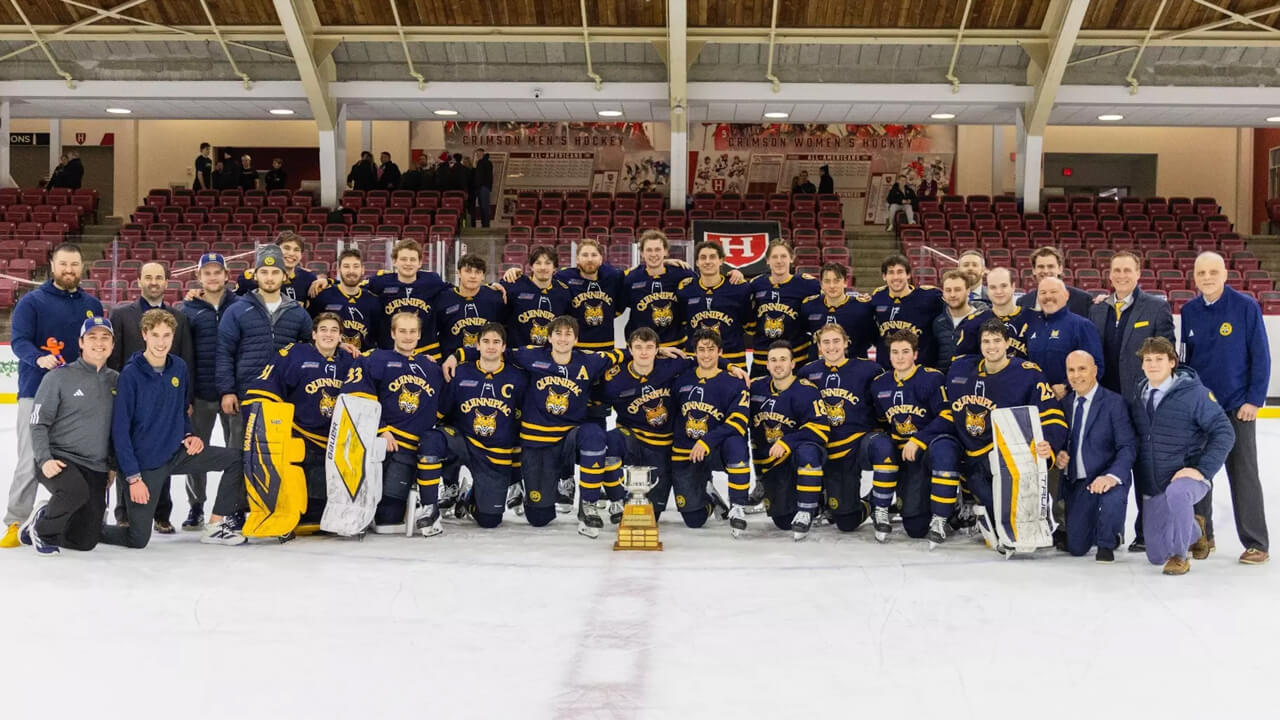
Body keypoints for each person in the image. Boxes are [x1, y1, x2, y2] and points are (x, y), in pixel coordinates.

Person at [444, 316, 624, 536]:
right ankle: (472, 497)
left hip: (569, 437)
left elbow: (623, 354)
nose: (563, 339)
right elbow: (493, 350)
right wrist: (457, 355)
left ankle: (589, 506)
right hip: (537, 444)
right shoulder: (531, 356)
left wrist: (660, 351)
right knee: (539, 518)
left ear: (576, 339)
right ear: (549, 337)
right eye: (558, 334)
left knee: (594, 434)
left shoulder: (589, 361)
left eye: (568, 334)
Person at [102, 310, 244, 550]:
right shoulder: (131, 374)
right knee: (137, 539)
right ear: (144, 334)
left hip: (176, 454)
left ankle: (215, 525)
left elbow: (180, 412)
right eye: (155, 334)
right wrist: (134, 478)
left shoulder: (178, 367)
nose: (161, 341)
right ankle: (81, 525)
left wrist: (189, 435)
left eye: (167, 335)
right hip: (147, 464)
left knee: (236, 459)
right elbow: (120, 430)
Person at [922, 319, 1067, 546]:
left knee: (1013, 519)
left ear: (1008, 343)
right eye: (986, 341)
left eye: (997, 341)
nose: (991, 347)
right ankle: (971, 508)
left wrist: (1051, 444)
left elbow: (1051, 415)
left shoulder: (1027, 374)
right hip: (972, 460)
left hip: (1009, 459)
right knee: (997, 515)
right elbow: (950, 414)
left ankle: (1031, 519)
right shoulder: (961, 370)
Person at [1, 243, 103, 548]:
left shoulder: (92, 305)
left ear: (82, 266)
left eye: (74, 264)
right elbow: (19, 341)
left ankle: (63, 518)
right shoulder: (31, 302)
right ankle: (15, 520)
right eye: (63, 264)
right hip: (37, 392)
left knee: (78, 457)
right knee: (31, 457)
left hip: (79, 396)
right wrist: (38, 358)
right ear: (52, 264)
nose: (69, 270)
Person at [1180, 251, 1271, 565]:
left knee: (1243, 473)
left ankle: (1257, 542)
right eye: (1201, 272)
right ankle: (1204, 537)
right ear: (1194, 277)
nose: (1207, 278)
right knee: (1198, 472)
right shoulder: (1189, 311)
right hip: (1201, 409)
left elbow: (1261, 356)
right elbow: (1186, 362)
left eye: (1212, 272)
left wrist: (1254, 400)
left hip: (1237, 407)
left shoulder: (1245, 307)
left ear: (1225, 274)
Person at [214, 244, 314, 497]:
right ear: (255, 274)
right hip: (246, 395)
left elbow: (309, 353)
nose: (270, 277)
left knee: (281, 453)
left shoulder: (298, 313)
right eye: (265, 272)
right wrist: (227, 391)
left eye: (275, 272)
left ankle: (279, 505)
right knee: (240, 453)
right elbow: (224, 352)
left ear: (285, 276)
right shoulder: (237, 309)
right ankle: (236, 509)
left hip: (284, 398)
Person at [1129, 337, 1235, 575]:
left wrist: (1202, 469)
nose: (1153, 364)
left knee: (1178, 492)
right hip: (1154, 483)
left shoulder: (1195, 394)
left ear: (1172, 362)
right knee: (1156, 556)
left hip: (1187, 477)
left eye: (1159, 359)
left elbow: (1224, 432)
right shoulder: (1139, 393)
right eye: (1148, 359)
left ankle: (1179, 556)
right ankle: (1195, 529)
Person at [241, 312, 354, 530]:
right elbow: (266, 385)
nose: (328, 335)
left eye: (334, 330)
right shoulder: (295, 354)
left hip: (335, 438)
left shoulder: (350, 361)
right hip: (300, 432)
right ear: (313, 334)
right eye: (323, 330)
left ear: (341, 337)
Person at [105, 260, 195, 533]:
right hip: (132, 399)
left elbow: (185, 358)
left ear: (167, 282)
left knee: (165, 452)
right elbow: (113, 359)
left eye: (159, 277)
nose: (154, 282)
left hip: (167, 399)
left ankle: (161, 513)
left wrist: (186, 401)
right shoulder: (121, 315)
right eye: (148, 277)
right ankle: (124, 512)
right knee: (128, 450)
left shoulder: (178, 318)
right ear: (139, 281)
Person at [344, 310, 449, 536]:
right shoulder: (376, 359)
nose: (408, 336)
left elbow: (443, 403)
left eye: (413, 332)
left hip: (418, 448)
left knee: (389, 522)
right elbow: (357, 398)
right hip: (389, 446)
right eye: (402, 331)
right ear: (393, 333)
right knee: (386, 523)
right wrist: (381, 429)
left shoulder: (431, 367)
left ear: (420, 335)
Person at [19, 318, 118, 555]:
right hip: (60, 458)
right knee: (74, 491)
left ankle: (44, 515)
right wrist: (45, 459)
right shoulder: (58, 378)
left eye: (105, 338)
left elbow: (117, 428)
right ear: (81, 343)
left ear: (113, 345)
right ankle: (43, 531)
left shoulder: (117, 380)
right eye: (92, 337)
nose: (99, 343)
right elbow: (38, 422)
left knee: (85, 541)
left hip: (95, 465)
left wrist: (112, 465)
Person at [799, 324, 899, 539]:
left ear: (846, 343)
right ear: (819, 346)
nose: (831, 346)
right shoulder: (807, 372)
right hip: (830, 448)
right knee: (846, 521)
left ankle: (882, 507)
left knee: (883, 445)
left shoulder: (869, 369)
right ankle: (869, 502)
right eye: (826, 342)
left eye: (836, 341)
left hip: (861, 442)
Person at [439, 322, 528, 528]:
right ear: (476, 346)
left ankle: (468, 498)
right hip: (465, 441)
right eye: (486, 341)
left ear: (504, 347)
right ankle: (449, 485)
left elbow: (523, 416)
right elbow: (441, 412)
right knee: (435, 440)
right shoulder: (460, 373)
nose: (490, 346)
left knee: (490, 520)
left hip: (495, 454)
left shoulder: (517, 377)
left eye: (496, 342)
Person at [1054, 350, 1136, 562]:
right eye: (1071, 370)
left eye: (1082, 369)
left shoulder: (1113, 403)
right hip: (1080, 481)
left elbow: (1127, 446)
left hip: (1108, 475)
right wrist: (1059, 454)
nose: (1076, 375)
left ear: (1095, 371)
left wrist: (1112, 476)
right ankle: (1095, 526)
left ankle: (1110, 537)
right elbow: (1061, 440)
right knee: (1077, 547)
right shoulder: (1064, 404)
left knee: (1104, 543)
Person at [671, 328, 752, 536]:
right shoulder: (681, 380)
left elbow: (738, 422)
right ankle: (711, 499)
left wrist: (707, 441)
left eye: (711, 349)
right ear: (694, 353)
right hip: (687, 451)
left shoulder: (734, 383)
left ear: (720, 352)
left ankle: (737, 507)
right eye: (701, 350)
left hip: (717, 449)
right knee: (694, 520)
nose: (706, 355)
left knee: (737, 444)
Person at [870, 330, 948, 540]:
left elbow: (946, 416)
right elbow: (880, 421)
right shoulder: (880, 384)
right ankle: (878, 503)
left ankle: (948, 507)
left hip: (924, 451)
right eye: (895, 352)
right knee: (914, 526)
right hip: (899, 455)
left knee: (916, 528)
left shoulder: (932, 378)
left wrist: (920, 439)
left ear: (915, 354)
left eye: (905, 352)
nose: (900, 357)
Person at [179, 252, 237, 530]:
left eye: (218, 272)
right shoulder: (187, 310)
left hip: (232, 394)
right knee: (196, 452)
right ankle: (196, 505)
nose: (213, 277)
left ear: (227, 275)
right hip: (200, 394)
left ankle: (233, 506)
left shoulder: (241, 306)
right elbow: (181, 355)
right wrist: (185, 396)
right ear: (199, 277)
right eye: (207, 272)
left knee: (236, 450)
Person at [749, 341, 829, 540]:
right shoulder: (756, 388)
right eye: (773, 360)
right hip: (774, 466)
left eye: (783, 359)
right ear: (766, 364)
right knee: (783, 521)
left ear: (793, 364)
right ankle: (812, 501)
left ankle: (807, 509)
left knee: (808, 451)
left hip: (797, 458)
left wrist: (787, 442)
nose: (778, 365)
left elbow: (821, 430)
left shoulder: (806, 390)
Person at [1089, 251, 1177, 399]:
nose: (1121, 275)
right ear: (1109, 275)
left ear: (1138, 274)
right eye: (1116, 270)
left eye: (1127, 270)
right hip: (1103, 395)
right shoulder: (1097, 309)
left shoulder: (1157, 308)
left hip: (1141, 396)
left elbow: (1167, 353)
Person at [366, 238, 449, 357]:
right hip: (390, 352)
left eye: (413, 259)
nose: (408, 263)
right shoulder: (380, 282)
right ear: (394, 261)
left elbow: (458, 290)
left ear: (420, 262)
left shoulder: (432, 281)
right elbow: (352, 288)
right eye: (403, 259)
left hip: (427, 354)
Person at [678, 240, 754, 368]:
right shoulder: (685, 289)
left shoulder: (739, 288)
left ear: (721, 260)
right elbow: (683, 322)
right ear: (697, 262)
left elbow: (749, 326)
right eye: (703, 257)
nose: (707, 261)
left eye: (712, 257)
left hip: (733, 359)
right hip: (697, 360)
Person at [1026, 277, 1104, 401]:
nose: (1048, 296)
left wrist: (1067, 386)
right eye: (1043, 293)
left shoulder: (1082, 325)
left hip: (1070, 402)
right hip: (1037, 401)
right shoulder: (1031, 325)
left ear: (1066, 295)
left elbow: (1097, 367)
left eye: (1053, 292)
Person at [749, 241, 820, 376]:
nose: (779, 261)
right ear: (768, 260)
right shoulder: (756, 284)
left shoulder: (808, 285)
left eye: (783, 256)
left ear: (791, 258)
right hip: (763, 360)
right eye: (774, 257)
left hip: (796, 359)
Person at [869, 254, 944, 369]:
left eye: (900, 272)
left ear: (908, 275)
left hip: (920, 370)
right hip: (887, 371)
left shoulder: (929, 297)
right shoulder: (878, 297)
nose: (895, 277)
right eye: (891, 272)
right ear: (884, 276)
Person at [622, 230, 694, 348]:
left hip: (675, 345)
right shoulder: (630, 278)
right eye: (649, 250)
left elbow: (706, 282)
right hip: (642, 347)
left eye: (658, 250)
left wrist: (732, 274)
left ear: (665, 251)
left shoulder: (682, 273)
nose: (653, 254)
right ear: (642, 253)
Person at [799, 262, 875, 363]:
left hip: (854, 369)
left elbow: (872, 338)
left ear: (845, 282)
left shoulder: (862, 307)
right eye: (827, 281)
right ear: (821, 284)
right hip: (820, 368)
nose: (832, 286)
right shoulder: (809, 306)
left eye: (836, 281)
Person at [435, 254, 505, 361]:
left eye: (478, 272)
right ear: (458, 273)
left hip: (486, 364)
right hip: (453, 364)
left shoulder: (495, 297)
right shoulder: (443, 298)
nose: (473, 276)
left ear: (483, 276)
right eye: (468, 271)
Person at [500, 245, 571, 348]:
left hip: (550, 356)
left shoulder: (563, 292)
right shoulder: (514, 285)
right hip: (518, 355)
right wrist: (496, 284)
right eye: (538, 263)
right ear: (531, 266)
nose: (543, 267)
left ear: (555, 267)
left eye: (548, 263)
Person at [311, 248, 381, 351]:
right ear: (339, 270)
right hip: (331, 358)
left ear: (363, 270)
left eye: (356, 266)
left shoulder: (373, 301)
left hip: (362, 361)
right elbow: (311, 331)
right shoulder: (323, 297)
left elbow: (377, 336)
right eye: (346, 266)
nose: (351, 271)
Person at [233, 231, 325, 307]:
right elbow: (234, 305)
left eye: (296, 250)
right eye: (286, 248)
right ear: (276, 250)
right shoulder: (250, 277)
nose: (291, 253)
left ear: (301, 255)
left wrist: (328, 282)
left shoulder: (308, 278)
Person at [932, 268, 991, 373]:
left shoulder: (983, 320)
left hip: (971, 382)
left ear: (968, 291)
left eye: (957, 289)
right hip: (943, 382)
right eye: (948, 290)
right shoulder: (938, 322)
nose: (952, 294)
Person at [1016, 247, 1094, 317]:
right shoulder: (1023, 302)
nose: (1046, 271)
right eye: (1041, 267)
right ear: (1034, 270)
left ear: (1060, 269)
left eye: (1050, 266)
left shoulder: (1084, 300)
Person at [984, 266, 1031, 357]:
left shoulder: (1032, 318)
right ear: (987, 290)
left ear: (1013, 286)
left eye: (1004, 286)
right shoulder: (975, 322)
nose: (998, 291)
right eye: (993, 287)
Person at [473, 148, 494, 228]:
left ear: (482, 153)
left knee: (483, 207)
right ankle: (486, 224)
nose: (477, 155)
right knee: (485, 206)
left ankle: (485, 224)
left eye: (478, 154)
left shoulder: (481, 163)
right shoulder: (488, 163)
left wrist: (477, 187)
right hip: (486, 187)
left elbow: (479, 177)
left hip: (482, 188)